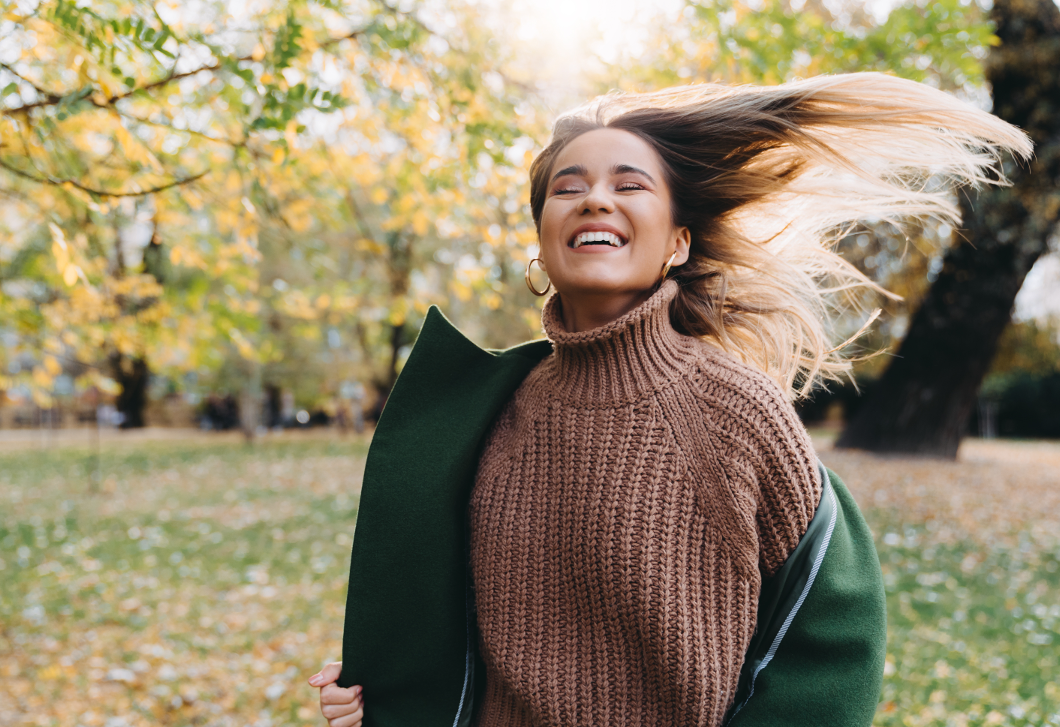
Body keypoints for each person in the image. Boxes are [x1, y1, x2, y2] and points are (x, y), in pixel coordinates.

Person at [308, 73, 1030, 727]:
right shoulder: (477, 416)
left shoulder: (735, 412)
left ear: (678, 243)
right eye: (568, 186)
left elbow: (828, 626)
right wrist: (380, 699)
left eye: (629, 184)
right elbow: (443, 641)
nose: (595, 196)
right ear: (542, 241)